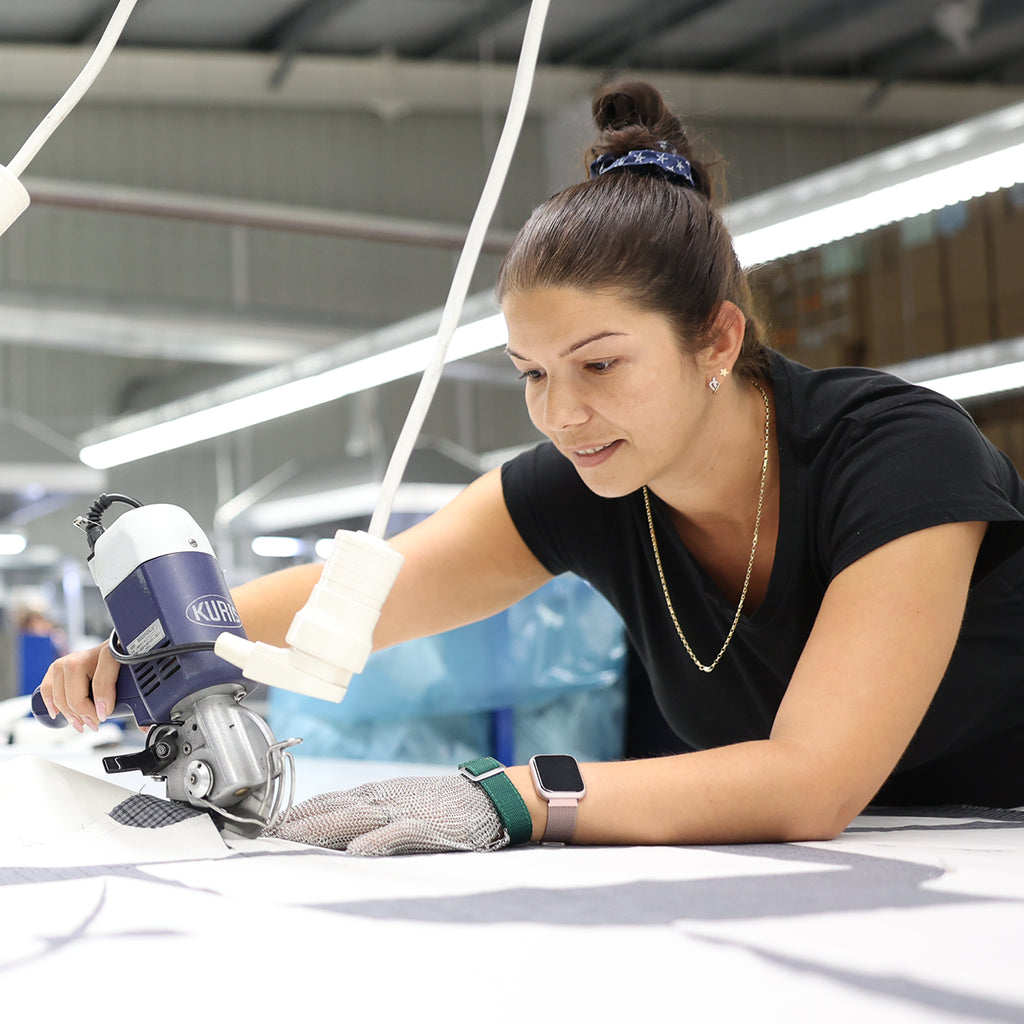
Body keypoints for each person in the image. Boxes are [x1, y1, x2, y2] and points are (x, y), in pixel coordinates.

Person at [40, 81, 1024, 856]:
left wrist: (518, 794)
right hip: (865, 861)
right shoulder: (593, 481)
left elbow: (812, 782)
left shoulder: (896, 454)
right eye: (532, 374)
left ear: (717, 339)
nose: (561, 413)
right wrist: (155, 645)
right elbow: (361, 600)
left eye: (600, 365)